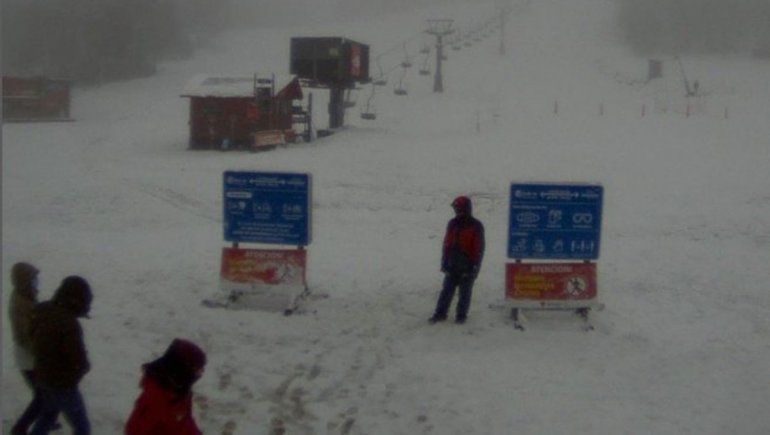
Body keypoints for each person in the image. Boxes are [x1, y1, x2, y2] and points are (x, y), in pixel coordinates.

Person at [29, 276, 93, 435]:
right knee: (82, 427)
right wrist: (82, 368)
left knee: (48, 415)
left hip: (42, 376)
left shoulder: (42, 309)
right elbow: (77, 358)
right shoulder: (69, 324)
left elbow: (31, 335)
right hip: (63, 384)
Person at [8, 262, 61, 434]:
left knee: (44, 395)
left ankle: (46, 419)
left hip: (32, 356)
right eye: (33, 278)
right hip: (29, 359)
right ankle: (20, 428)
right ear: (25, 281)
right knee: (43, 396)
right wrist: (44, 351)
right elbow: (25, 337)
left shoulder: (27, 296)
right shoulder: (20, 304)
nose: (37, 281)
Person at [125, 338, 207, 435]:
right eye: (197, 369)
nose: (201, 373)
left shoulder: (180, 390)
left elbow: (184, 422)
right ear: (182, 369)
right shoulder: (155, 399)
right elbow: (134, 429)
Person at [429, 196, 485, 324]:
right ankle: (440, 314)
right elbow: (447, 244)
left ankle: (461, 317)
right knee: (446, 291)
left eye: (458, 208)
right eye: (455, 208)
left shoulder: (476, 225)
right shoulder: (452, 223)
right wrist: (444, 262)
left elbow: (479, 249)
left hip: (468, 266)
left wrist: (475, 268)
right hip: (452, 265)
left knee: (464, 293)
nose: (456, 210)